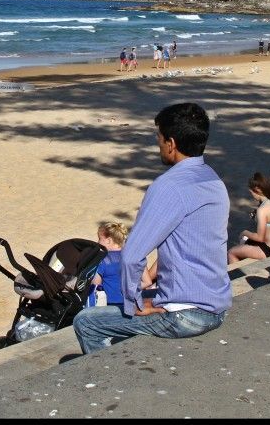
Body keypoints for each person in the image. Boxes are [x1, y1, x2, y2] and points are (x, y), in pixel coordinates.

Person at [72, 102, 230, 355]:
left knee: (87, 322)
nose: (157, 144)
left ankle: (106, 382)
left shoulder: (169, 186)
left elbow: (132, 255)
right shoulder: (212, 179)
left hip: (187, 315)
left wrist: (134, 302)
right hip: (217, 306)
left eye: (158, 137)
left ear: (171, 143)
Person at [227, 172, 270, 264]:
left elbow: (260, 238)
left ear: (256, 190)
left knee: (232, 252)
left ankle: (238, 277)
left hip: (269, 250)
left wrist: (245, 232)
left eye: (251, 192)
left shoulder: (262, 210)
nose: (251, 195)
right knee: (246, 243)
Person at [91, 223, 128, 306]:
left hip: (110, 305)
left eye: (100, 239)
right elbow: (147, 282)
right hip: (132, 304)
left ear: (108, 241)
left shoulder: (103, 260)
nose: (98, 242)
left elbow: (96, 286)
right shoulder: (131, 257)